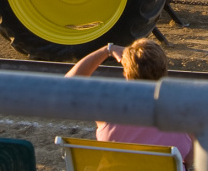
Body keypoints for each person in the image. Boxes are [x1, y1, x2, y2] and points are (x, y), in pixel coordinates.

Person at [65, 39, 193, 169]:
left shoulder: (108, 106)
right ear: (165, 70)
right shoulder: (183, 111)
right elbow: (190, 159)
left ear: (126, 73)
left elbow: (67, 86)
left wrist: (107, 50)